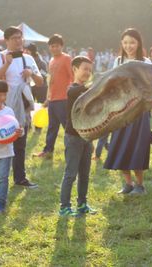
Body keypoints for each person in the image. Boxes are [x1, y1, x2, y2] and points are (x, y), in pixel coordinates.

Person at [0, 26, 43, 189]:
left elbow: (40, 82)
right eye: (14, 38)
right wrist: (7, 64)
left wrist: (31, 74)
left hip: (22, 106)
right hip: (2, 106)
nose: (19, 41)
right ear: (6, 40)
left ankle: (20, 178)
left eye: (20, 37)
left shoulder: (29, 58)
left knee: (20, 141)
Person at [104, 28, 152, 195]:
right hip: (120, 111)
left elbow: (150, 85)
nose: (128, 46)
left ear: (138, 43)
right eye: (125, 42)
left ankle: (140, 185)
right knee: (119, 146)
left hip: (139, 111)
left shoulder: (146, 62)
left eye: (132, 42)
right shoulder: (118, 61)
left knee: (138, 147)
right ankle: (128, 184)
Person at [59, 56, 96, 216]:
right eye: (84, 69)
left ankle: (82, 204)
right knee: (71, 173)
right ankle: (64, 207)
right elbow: (75, 91)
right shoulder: (73, 89)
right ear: (74, 69)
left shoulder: (87, 90)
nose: (88, 72)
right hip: (73, 137)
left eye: (90, 69)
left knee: (85, 174)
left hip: (87, 137)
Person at [33, 34, 73, 159]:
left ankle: (77, 148)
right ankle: (48, 151)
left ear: (62, 46)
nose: (54, 48)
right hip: (53, 100)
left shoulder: (66, 58)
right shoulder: (51, 61)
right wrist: (47, 98)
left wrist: (71, 95)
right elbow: (51, 82)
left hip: (64, 99)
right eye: (52, 46)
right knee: (52, 127)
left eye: (57, 46)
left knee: (67, 127)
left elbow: (72, 77)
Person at [0, 80, 23, 213]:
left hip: (6, 152)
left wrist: (19, 132)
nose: (2, 98)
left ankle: (1, 204)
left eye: (5, 95)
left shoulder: (9, 110)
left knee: (3, 178)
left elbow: (15, 128)